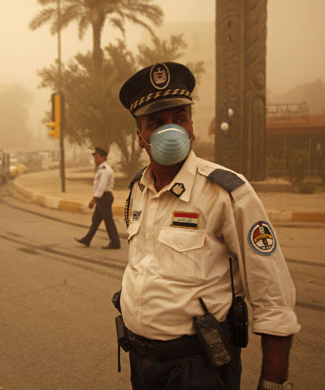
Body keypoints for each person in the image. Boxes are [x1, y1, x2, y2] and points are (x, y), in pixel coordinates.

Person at [116, 62, 299, 390]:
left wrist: (274, 380)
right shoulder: (136, 189)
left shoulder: (227, 192)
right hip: (141, 363)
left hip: (199, 367)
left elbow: (273, 294)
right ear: (140, 136)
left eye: (180, 119)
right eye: (156, 123)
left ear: (192, 127)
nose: (170, 131)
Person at [75, 147, 121, 249]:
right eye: (95, 157)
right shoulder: (101, 168)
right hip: (103, 197)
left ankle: (115, 243)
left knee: (108, 221)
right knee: (96, 220)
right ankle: (87, 239)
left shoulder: (104, 170)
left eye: (97, 157)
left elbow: (102, 186)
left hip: (104, 197)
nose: (95, 160)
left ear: (103, 158)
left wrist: (94, 199)